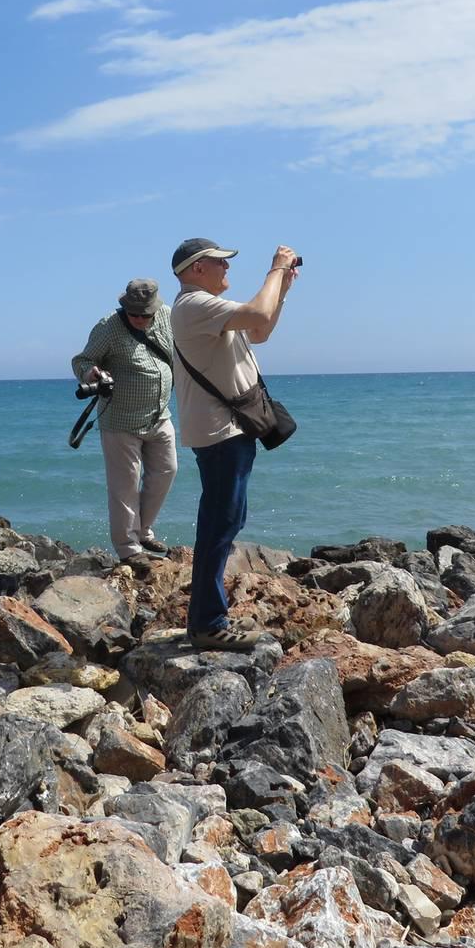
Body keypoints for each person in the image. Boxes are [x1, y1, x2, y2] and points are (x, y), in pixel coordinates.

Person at [169, 238, 299, 650]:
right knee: (219, 525)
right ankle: (207, 624)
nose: (227, 269)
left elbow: (259, 330)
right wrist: (275, 270)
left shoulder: (207, 308)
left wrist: (282, 289)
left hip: (230, 431)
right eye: (220, 263)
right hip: (220, 433)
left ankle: (209, 618)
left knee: (225, 521)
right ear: (197, 269)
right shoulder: (194, 305)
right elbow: (257, 313)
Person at [71, 278, 178, 568]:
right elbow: (82, 361)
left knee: (167, 471)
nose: (139, 319)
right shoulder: (108, 326)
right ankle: (128, 548)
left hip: (160, 414)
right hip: (120, 420)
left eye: (145, 315)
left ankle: (143, 530)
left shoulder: (167, 316)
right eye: (134, 314)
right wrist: (92, 374)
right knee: (125, 486)